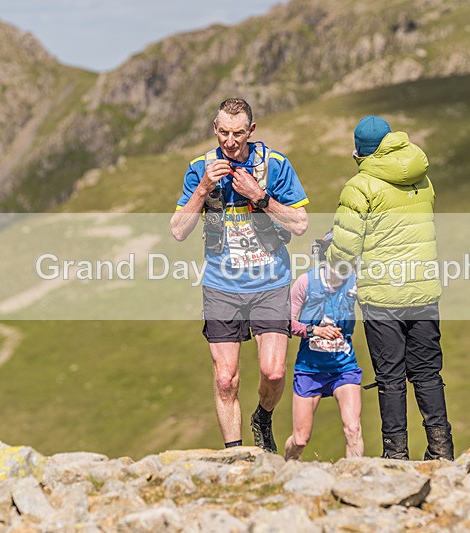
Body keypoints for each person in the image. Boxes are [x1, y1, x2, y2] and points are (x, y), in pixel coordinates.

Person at [170, 98, 309, 452]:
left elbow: (300, 224)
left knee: (274, 372)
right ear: (215, 129)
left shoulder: (275, 165)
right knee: (225, 379)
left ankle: (263, 416)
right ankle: (235, 457)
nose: (230, 142)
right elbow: (178, 230)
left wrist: (259, 197)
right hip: (221, 286)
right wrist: (202, 189)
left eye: (238, 133)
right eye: (224, 133)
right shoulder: (199, 168)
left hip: (270, 282)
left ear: (251, 130)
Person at [326, 116, 454, 461]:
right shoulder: (421, 177)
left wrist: (331, 261)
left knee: (391, 377)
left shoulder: (359, 186)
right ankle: (442, 451)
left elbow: (345, 249)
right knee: (427, 373)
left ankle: (396, 455)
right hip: (423, 291)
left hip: (382, 296)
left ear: (359, 152)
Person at [284, 231, 364, 460]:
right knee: (300, 439)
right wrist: (313, 330)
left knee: (353, 429)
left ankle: (356, 477)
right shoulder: (306, 282)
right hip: (310, 369)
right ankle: (285, 466)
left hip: (343, 367)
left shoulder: (355, 282)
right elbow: (285, 321)